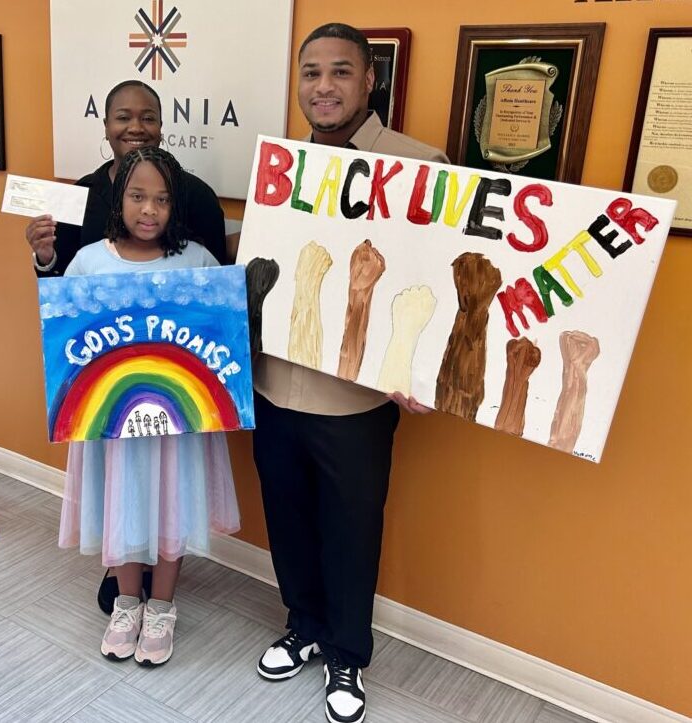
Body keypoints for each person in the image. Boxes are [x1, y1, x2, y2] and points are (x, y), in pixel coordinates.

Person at [252, 23, 446, 723]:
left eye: (340, 72)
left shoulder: (419, 164)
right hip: (276, 382)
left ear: (370, 81)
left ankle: (346, 653)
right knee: (288, 515)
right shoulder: (279, 167)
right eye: (311, 72)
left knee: (352, 527)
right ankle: (303, 622)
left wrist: (421, 369)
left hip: (356, 399)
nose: (323, 86)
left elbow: (434, 284)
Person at [58, 145, 240, 666]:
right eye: (138, 196)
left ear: (174, 206)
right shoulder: (89, 260)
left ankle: (162, 606)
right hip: (112, 427)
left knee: (170, 505)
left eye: (162, 200)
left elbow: (219, 334)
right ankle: (127, 602)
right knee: (123, 504)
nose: (149, 210)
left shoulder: (198, 261)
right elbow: (66, 338)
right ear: (119, 199)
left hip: (175, 428)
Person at [25, 79, 227, 281]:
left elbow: (216, 280)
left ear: (160, 126)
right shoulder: (81, 193)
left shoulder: (198, 195)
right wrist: (45, 258)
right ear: (106, 126)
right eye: (123, 118)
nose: (136, 128)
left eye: (148, 118)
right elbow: (64, 287)